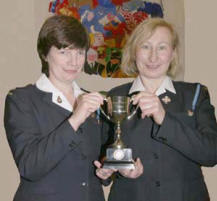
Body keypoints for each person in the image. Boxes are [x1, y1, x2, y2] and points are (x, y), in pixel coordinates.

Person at [95, 18, 217, 201]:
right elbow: (104, 154)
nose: (153, 57)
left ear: (173, 53)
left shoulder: (195, 94)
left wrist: (163, 117)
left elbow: (211, 154)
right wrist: (108, 171)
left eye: (162, 47)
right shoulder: (115, 97)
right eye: (145, 46)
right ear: (133, 52)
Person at [4, 15, 105, 201]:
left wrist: (108, 169)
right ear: (45, 54)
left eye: (80, 52)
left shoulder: (92, 100)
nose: (74, 62)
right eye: (64, 52)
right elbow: (30, 166)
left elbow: (98, 159)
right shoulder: (21, 100)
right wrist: (75, 119)